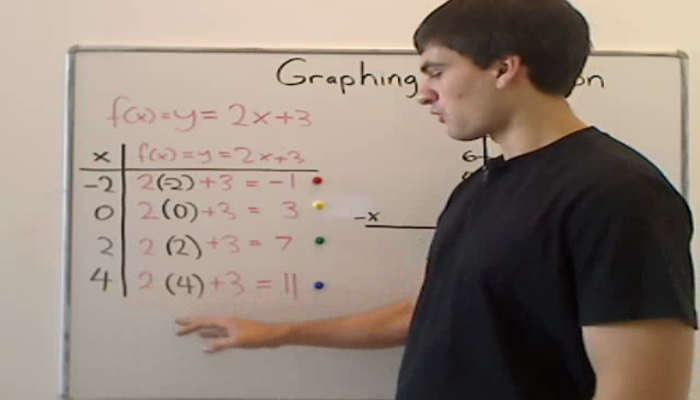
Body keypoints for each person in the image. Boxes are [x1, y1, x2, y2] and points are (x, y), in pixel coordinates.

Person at [176, 0, 697, 398]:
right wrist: (279, 332)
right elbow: (437, 311)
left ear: (504, 68)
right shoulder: (482, 185)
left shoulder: (617, 194)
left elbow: (643, 390)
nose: (423, 92)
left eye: (436, 70)